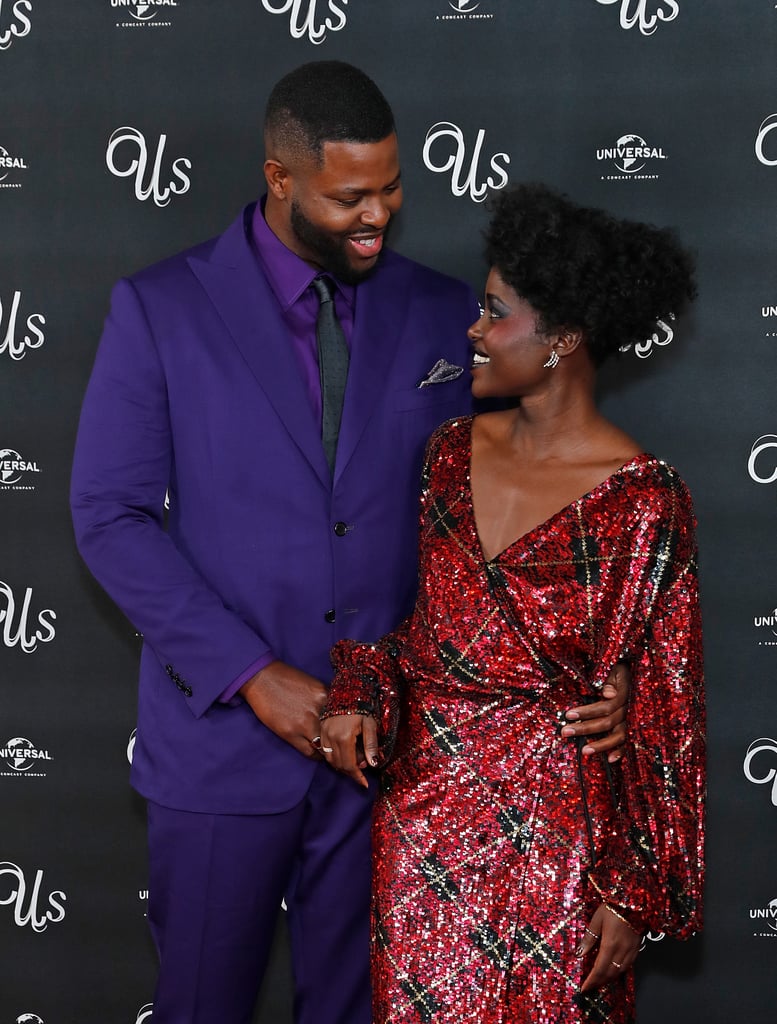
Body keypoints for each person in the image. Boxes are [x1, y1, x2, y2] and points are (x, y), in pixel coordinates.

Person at [70, 63, 628, 1024]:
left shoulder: (441, 312)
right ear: (280, 180)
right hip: (218, 746)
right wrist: (251, 673)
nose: (378, 213)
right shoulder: (161, 309)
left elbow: (510, 507)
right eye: (349, 197)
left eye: (391, 187)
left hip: (394, 758)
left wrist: (595, 661)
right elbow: (109, 517)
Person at [321, 183, 705, 1024]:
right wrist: (360, 689)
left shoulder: (642, 500)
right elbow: (428, 636)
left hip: (559, 836)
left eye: (494, 312)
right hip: (424, 825)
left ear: (562, 338)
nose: (473, 331)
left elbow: (669, 711)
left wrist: (634, 891)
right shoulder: (447, 454)